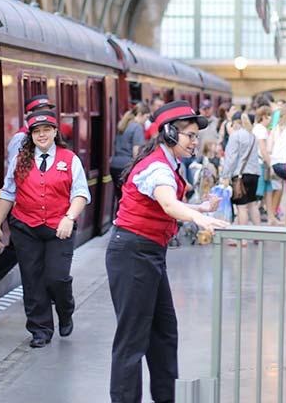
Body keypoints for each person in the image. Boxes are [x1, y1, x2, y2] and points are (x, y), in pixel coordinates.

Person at [106, 101, 228, 403]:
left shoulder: (165, 162)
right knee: (132, 339)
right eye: (189, 135)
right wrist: (198, 218)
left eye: (196, 136)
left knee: (164, 331)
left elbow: (168, 203)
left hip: (147, 253)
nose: (194, 142)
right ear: (170, 133)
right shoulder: (158, 166)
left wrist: (199, 207)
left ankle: (165, 397)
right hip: (133, 252)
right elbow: (168, 203)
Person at [0, 111, 90, 348]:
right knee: (32, 280)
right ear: (31, 135)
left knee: (57, 278)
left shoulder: (70, 159)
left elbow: (81, 193)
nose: (42, 134)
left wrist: (69, 217)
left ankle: (65, 311)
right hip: (26, 227)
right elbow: (8, 192)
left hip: (59, 228)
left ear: (55, 132)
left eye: (46, 129)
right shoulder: (20, 159)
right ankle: (40, 330)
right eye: (36, 131)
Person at [0, 95, 58, 307]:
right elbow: (15, 174)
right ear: (28, 116)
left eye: (47, 109)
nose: (44, 114)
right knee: (19, 249)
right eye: (39, 110)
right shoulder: (21, 138)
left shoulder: (48, 137)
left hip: (39, 203)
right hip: (22, 203)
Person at [220, 111, 262, 235]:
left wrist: (225, 175)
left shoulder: (235, 136)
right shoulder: (252, 136)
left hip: (240, 175)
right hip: (254, 173)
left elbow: (231, 158)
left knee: (242, 206)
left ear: (236, 123)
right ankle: (258, 235)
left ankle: (242, 238)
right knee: (253, 204)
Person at [110, 102, 149, 204]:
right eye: (146, 117)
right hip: (127, 166)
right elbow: (137, 152)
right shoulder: (137, 128)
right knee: (127, 200)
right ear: (140, 114)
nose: (146, 121)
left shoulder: (123, 125)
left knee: (120, 198)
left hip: (115, 164)